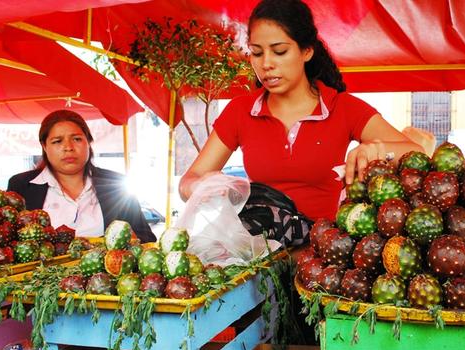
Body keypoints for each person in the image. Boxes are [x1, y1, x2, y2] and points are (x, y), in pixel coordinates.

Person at [178, 0, 433, 223]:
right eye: (257, 53)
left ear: (307, 51)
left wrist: (377, 149)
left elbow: (418, 152)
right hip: (261, 256)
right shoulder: (240, 111)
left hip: (323, 257)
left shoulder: (343, 107)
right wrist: (203, 186)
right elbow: (188, 181)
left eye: (279, 51)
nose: (266, 64)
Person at [7, 110, 156, 243]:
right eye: (57, 141)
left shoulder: (116, 184)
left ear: (88, 142)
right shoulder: (21, 185)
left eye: (77, 139)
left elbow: (146, 237)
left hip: (103, 273)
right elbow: (8, 240)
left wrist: (131, 240)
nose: (68, 147)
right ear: (45, 146)